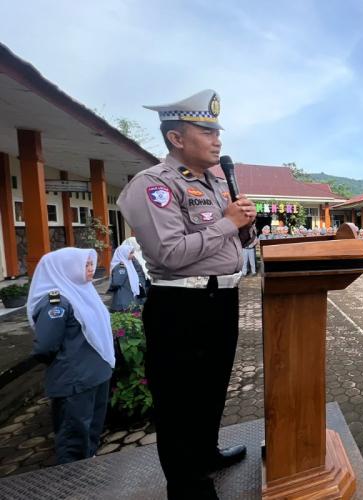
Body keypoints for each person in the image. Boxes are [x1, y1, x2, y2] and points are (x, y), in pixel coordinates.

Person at [118, 89, 256, 498]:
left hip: (221, 300)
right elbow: (170, 253)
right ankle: (187, 486)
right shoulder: (153, 185)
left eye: (218, 131)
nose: (217, 139)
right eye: (207, 130)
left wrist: (244, 225)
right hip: (181, 306)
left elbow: (229, 243)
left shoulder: (214, 183)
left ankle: (207, 454)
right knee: (179, 403)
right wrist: (229, 224)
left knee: (212, 388)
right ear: (177, 138)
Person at [28, 248, 114, 464]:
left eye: (90, 263)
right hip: (75, 382)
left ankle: (87, 475)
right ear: (65, 268)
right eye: (85, 264)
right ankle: (72, 487)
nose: (91, 268)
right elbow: (44, 347)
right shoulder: (56, 302)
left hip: (95, 376)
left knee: (90, 433)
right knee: (73, 440)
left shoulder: (82, 292)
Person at [108, 244, 145, 311]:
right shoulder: (121, 266)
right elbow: (117, 282)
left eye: (132, 253)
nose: (132, 255)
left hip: (128, 296)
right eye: (130, 253)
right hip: (122, 298)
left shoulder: (129, 263)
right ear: (124, 253)